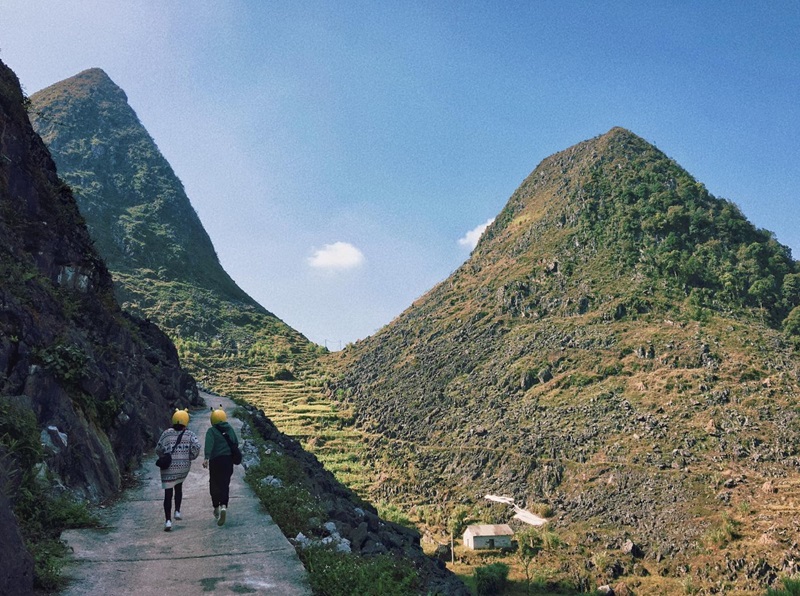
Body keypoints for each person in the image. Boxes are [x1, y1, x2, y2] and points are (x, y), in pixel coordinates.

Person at [155, 409, 201, 532]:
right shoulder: (190, 434)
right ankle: (177, 511)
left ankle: (168, 521)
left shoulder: (166, 433)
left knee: (168, 494)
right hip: (182, 468)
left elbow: (158, 449)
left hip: (168, 468)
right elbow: (196, 448)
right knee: (178, 488)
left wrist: (164, 457)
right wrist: (189, 457)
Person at [202, 405, 239, 526]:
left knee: (214, 484)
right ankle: (224, 506)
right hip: (228, 461)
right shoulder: (230, 429)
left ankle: (216, 507)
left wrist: (206, 457)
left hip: (215, 461)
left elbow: (209, 444)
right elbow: (235, 443)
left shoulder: (211, 431)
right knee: (225, 484)